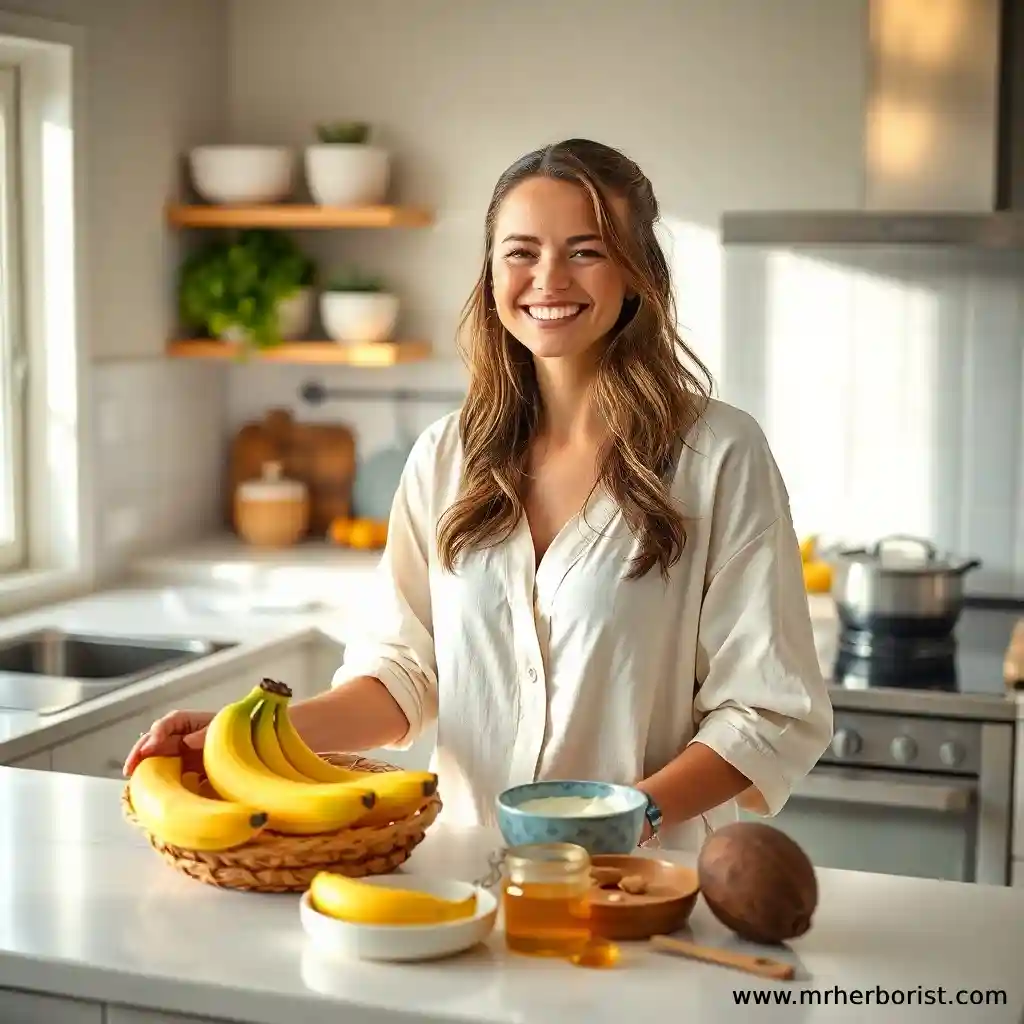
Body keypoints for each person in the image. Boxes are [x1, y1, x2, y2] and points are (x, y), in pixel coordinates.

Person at [124, 138, 833, 851]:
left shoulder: (718, 456)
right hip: (465, 879)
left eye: (585, 250)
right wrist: (238, 733)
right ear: (492, 274)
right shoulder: (445, 456)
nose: (548, 278)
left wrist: (627, 818)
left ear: (637, 273)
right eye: (521, 252)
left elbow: (767, 710)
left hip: (649, 889)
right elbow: (401, 674)